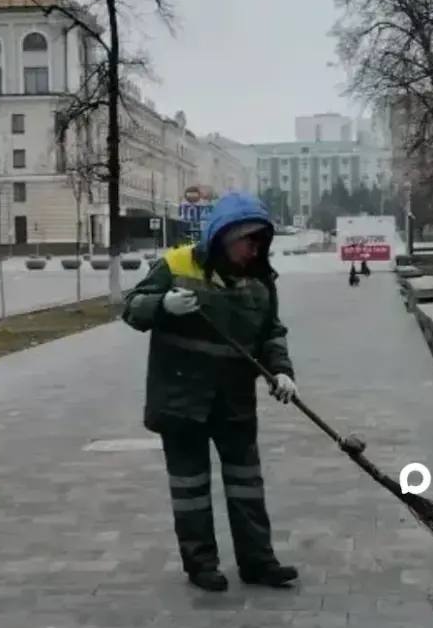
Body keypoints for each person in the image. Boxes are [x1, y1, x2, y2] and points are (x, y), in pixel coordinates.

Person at [121, 191, 299, 592]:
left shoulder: (259, 279)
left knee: (246, 484)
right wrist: (162, 304)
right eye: (247, 240)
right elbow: (131, 307)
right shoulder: (176, 265)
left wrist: (281, 371)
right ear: (223, 236)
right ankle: (201, 565)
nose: (254, 249)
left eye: (260, 241)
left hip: (234, 402)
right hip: (181, 400)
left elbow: (271, 332)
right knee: (190, 490)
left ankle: (258, 562)